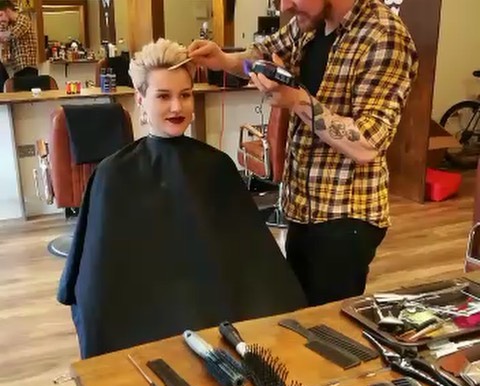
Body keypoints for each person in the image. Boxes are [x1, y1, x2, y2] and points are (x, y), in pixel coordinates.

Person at [58, 38, 306, 360]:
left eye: (185, 95)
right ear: (140, 100)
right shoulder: (112, 175)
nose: (177, 107)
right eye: (163, 96)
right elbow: (98, 285)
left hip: (216, 327)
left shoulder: (217, 167)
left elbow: (255, 265)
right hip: (142, 336)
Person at [188, 0, 419, 306]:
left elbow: (367, 143)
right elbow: (260, 56)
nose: (285, 6)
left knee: (326, 321)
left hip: (344, 217)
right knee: (298, 310)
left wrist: (296, 101)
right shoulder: (308, 23)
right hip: (300, 207)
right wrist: (224, 60)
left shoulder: (384, 36)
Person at [0, 0, 38, 78]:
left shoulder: (23, 20)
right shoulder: (9, 25)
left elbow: (10, 35)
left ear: (7, 11)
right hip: (16, 69)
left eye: (0, 15)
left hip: (27, 68)